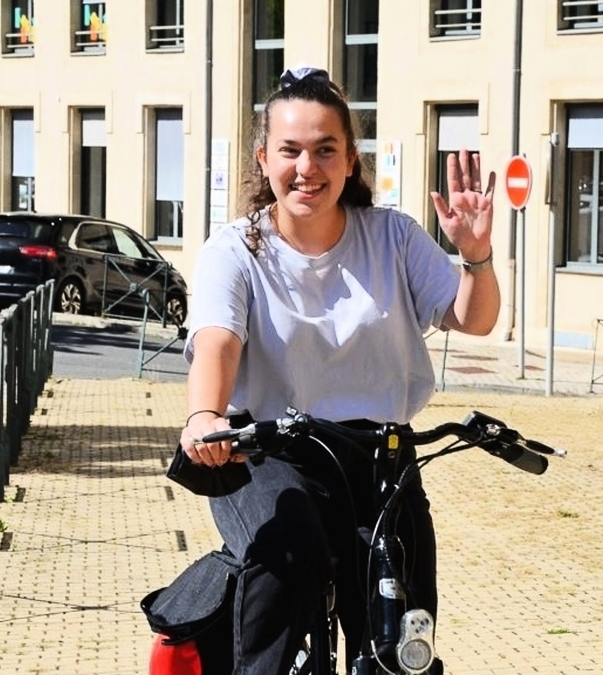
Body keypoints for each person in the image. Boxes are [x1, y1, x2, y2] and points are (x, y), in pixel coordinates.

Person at [177, 66, 498, 674]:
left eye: (326, 150)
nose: (308, 167)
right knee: (288, 549)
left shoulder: (393, 237)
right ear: (264, 159)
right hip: (270, 453)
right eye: (290, 150)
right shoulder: (236, 249)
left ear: (351, 160)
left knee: (403, 636)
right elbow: (218, 339)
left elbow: (473, 318)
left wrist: (475, 256)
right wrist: (205, 416)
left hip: (381, 457)